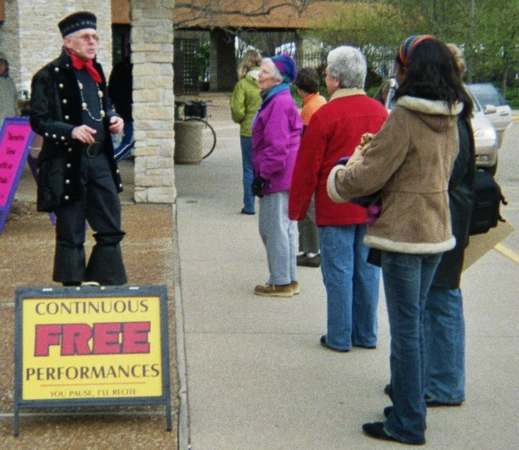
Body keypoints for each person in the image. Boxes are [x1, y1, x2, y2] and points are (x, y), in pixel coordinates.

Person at [327, 35, 473, 444]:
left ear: (409, 68)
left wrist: (338, 177)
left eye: (396, 63)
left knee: (406, 332)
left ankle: (407, 423)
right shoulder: (452, 116)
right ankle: (411, 405)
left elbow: (368, 176)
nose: (393, 69)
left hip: (403, 238)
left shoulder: (406, 117)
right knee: (417, 324)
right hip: (435, 233)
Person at [289, 46, 387, 351]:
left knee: (339, 274)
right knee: (368, 272)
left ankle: (340, 335)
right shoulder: (381, 112)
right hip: (372, 206)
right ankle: (366, 333)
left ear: (336, 80)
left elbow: (308, 167)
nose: (325, 77)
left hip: (335, 204)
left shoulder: (325, 116)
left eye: (328, 72)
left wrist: (297, 209)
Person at [29, 11, 127, 286]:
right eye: (86, 37)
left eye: (95, 37)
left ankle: (107, 282)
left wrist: (113, 118)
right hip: (66, 163)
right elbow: (38, 120)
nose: (93, 42)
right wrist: (70, 131)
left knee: (110, 221)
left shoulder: (96, 72)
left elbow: (104, 105)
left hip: (99, 161)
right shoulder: (47, 76)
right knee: (71, 228)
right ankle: (71, 289)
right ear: (68, 42)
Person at [424, 43, 476, 408]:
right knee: (438, 299)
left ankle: (445, 383)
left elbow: (450, 171)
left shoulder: (453, 116)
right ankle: (435, 377)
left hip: (448, 216)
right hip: (450, 213)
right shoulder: (459, 111)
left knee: (441, 300)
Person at [252, 53, 303, 297]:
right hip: (284, 175)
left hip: (277, 176)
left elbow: (276, 146)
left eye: (263, 72)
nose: (258, 76)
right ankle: (289, 279)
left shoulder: (279, 102)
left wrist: (262, 176)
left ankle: (281, 281)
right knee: (285, 227)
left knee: (274, 229)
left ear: (276, 77)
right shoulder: (279, 99)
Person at [293, 67, 327, 268]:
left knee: (307, 207)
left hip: (311, 163)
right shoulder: (321, 101)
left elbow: (304, 140)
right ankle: (313, 249)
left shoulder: (308, 109)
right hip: (322, 162)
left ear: (299, 89)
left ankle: (311, 251)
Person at [230, 49, 262, 215]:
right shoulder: (267, 82)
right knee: (264, 167)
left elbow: (237, 110)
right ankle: (266, 203)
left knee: (248, 168)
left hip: (248, 130)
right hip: (265, 131)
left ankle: (249, 206)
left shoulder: (242, 85)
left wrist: (240, 119)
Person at [108, 47, 134, 162]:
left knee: (127, 142)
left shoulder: (119, 66)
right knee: (129, 143)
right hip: (131, 110)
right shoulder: (131, 68)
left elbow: (111, 90)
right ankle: (110, 165)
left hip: (122, 109)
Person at [0, 52, 20, 126]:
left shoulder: (10, 82)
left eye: (2, 64)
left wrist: (18, 118)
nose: (0, 66)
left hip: (11, 123)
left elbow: (15, 102)